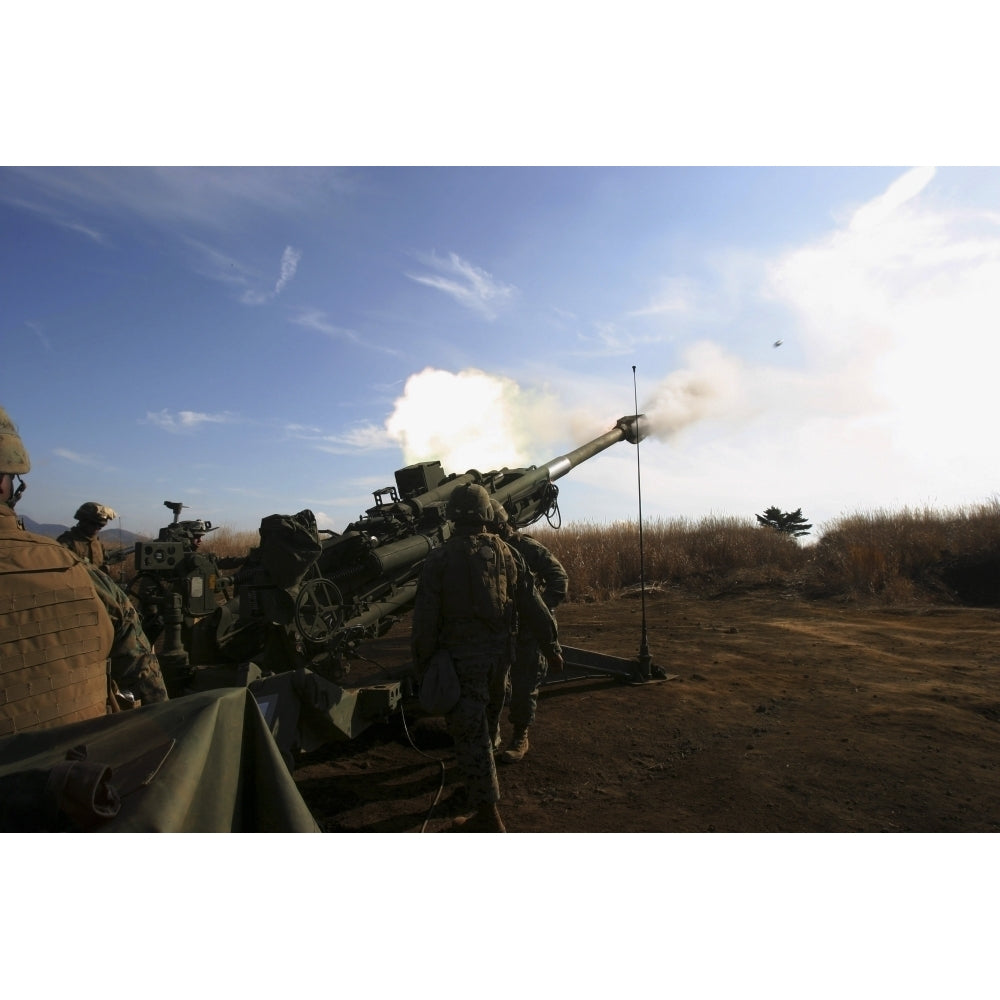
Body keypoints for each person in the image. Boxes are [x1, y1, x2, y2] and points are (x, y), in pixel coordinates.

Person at [0, 405, 168, 737]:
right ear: (8, 483)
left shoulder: (86, 560)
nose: (96, 529)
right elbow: (150, 686)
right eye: (93, 523)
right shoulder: (66, 554)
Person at [411, 483, 564, 833]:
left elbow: (425, 620)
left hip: (462, 663)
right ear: (486, 515)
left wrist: (423, 664)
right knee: (488, 725)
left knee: (472, 735)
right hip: (500, 659)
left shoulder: (440, 558)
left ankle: (488, 817)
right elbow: (533, 603)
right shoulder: (509, 554)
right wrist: (551, 646)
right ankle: (478, 790)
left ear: (453, 515)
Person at [490, 499, 569, 763]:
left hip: (527, 629)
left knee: (524, 682)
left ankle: (520, 736)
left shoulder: (525, 547)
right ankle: (491, 736)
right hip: (499, 628)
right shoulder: (485, 550)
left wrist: (539, 610)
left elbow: (559, 577)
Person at [57, 501, 118, 572]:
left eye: (101, 525)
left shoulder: (97, 544)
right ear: (83, 521)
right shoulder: (67, 541)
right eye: (93, 523)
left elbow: (101, 563)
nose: (97, 527)